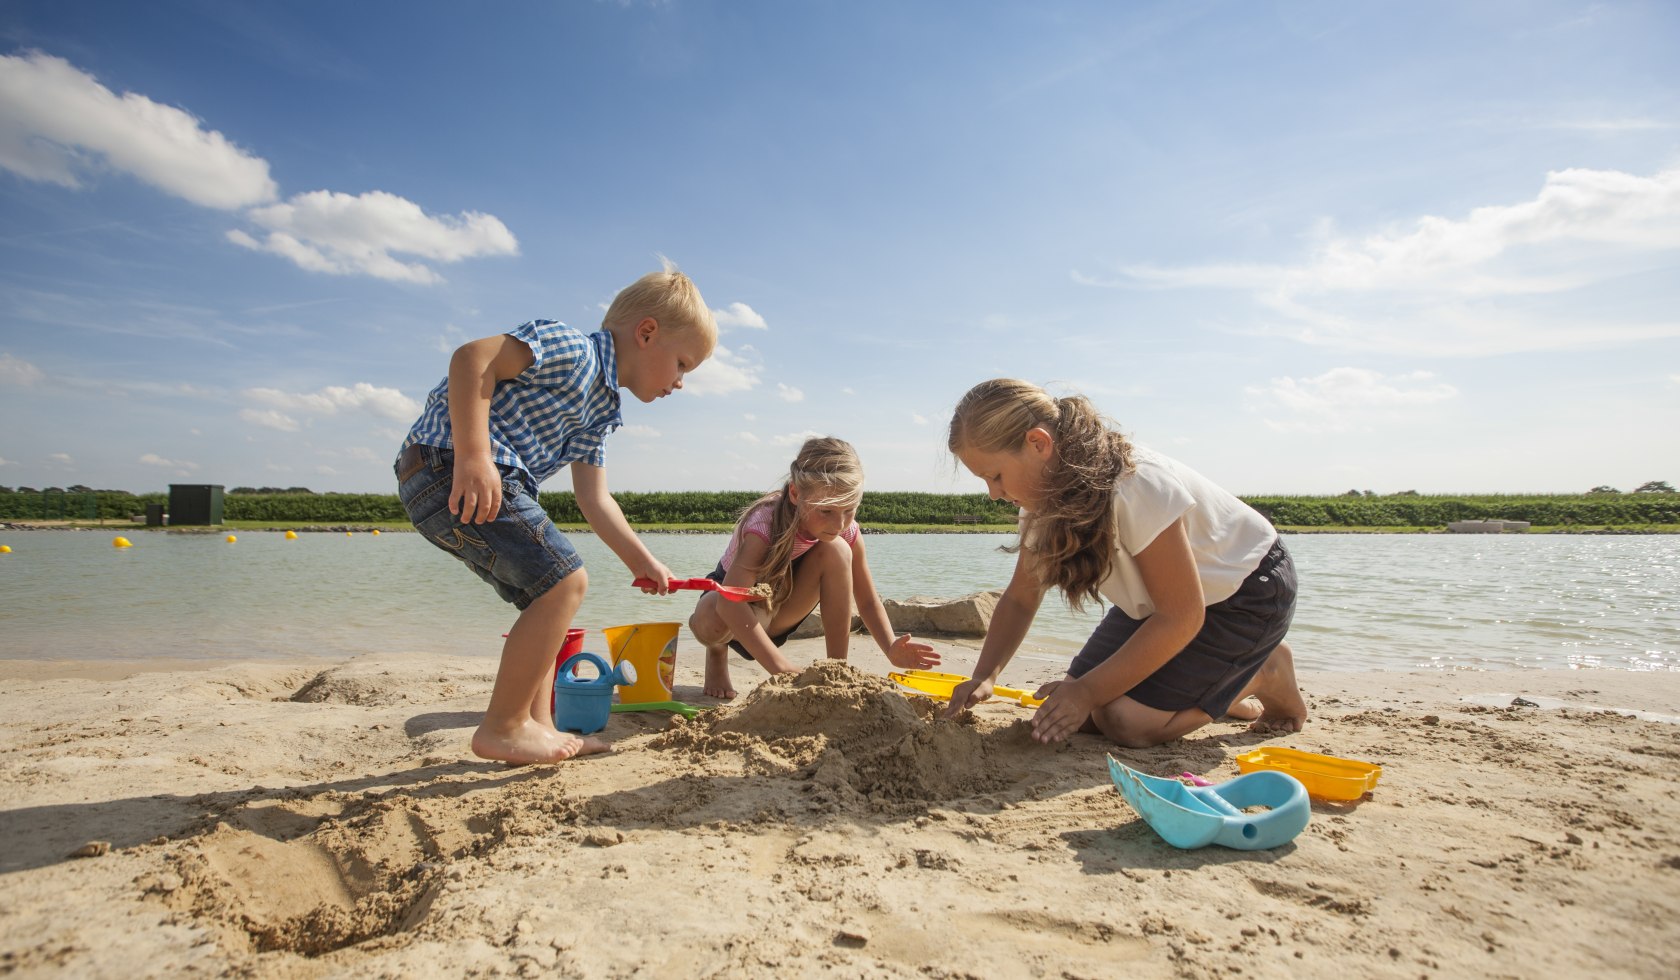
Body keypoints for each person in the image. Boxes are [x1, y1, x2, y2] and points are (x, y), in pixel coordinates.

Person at [395, 264, 716, 764]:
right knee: (566, 583)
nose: (680, 382)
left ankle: (537, 725)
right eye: (682, 364)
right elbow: (471, 359)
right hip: (449, 464)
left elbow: (595, 499)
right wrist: (475, 455)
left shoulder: (602, 411)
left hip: (464, 481)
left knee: (547, 600)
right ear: (647, 333)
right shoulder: (573, 350)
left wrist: (643, 561)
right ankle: (502, 726)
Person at [941, 378, 1307, 748]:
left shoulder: (1134, 483)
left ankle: (1264, 670)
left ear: (1038, 443)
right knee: (1078, 716)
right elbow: (1022, 598)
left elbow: (1181, 616)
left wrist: (1087, 691)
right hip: (1163, 601)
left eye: (995, 476)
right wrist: (985, 675)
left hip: (1245, 589)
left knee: (1123, 721)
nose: (993, 494)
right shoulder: (1041, 504)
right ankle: (1221, 691)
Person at [689, 436, 941, 699]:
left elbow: (866, 601)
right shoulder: (764, 524)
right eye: (827, 511)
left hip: (779, 606)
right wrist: (781, 668)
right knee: (715, 620)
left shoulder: (847, 532)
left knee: (839, 549)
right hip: (729, 605)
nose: (840, 523)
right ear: (796, 494)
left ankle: (837, 669)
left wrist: (890, 647)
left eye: (849, 510)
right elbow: (730, 601)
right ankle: (717, 652)